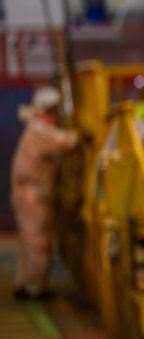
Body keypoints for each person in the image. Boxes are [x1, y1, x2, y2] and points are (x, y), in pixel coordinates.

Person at [10, 87, 78, 299]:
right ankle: (33, 287)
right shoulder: (40, 130)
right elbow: (67, 142)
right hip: (32, 193)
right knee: (37, 240)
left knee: (30, 240)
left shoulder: (36, 127)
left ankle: (26, 283)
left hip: (31, 192)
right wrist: (82, 133)